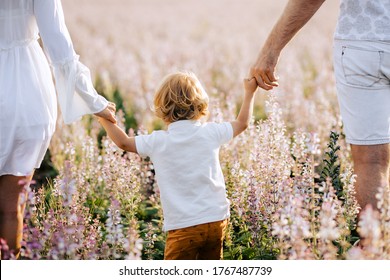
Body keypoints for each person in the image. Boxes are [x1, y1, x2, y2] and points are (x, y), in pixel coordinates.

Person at [99, 71, 257, 260]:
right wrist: (250, 92)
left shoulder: (158, 141)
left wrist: (103, 118)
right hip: (217, 220)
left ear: (162, 108)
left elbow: (123, 142)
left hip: (184, 227)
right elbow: (242, 123)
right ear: (200, 105)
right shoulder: (211, 132)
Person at [0, 0, 116, 258]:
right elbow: (60, 47)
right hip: (27, 94)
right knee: (11, 209)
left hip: (23, 95)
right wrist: (93, 101)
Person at [250, 0, 390, 213]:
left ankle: (373, 244)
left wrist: (271, 49)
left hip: (362, 41)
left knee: (370, 162)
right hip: (362, 44)